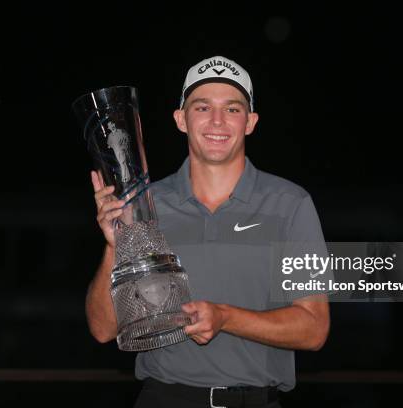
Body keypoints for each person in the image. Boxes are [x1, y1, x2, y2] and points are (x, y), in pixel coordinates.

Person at [86, 56, 330, 408]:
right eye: (202, 107)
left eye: (232, 109)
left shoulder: (290, 204)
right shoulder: (146, 206)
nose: (217, 121)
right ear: (181, 119)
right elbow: (103, 329)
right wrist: (114, 245)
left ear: (250, 122)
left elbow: (314, 328)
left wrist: (225, 318)